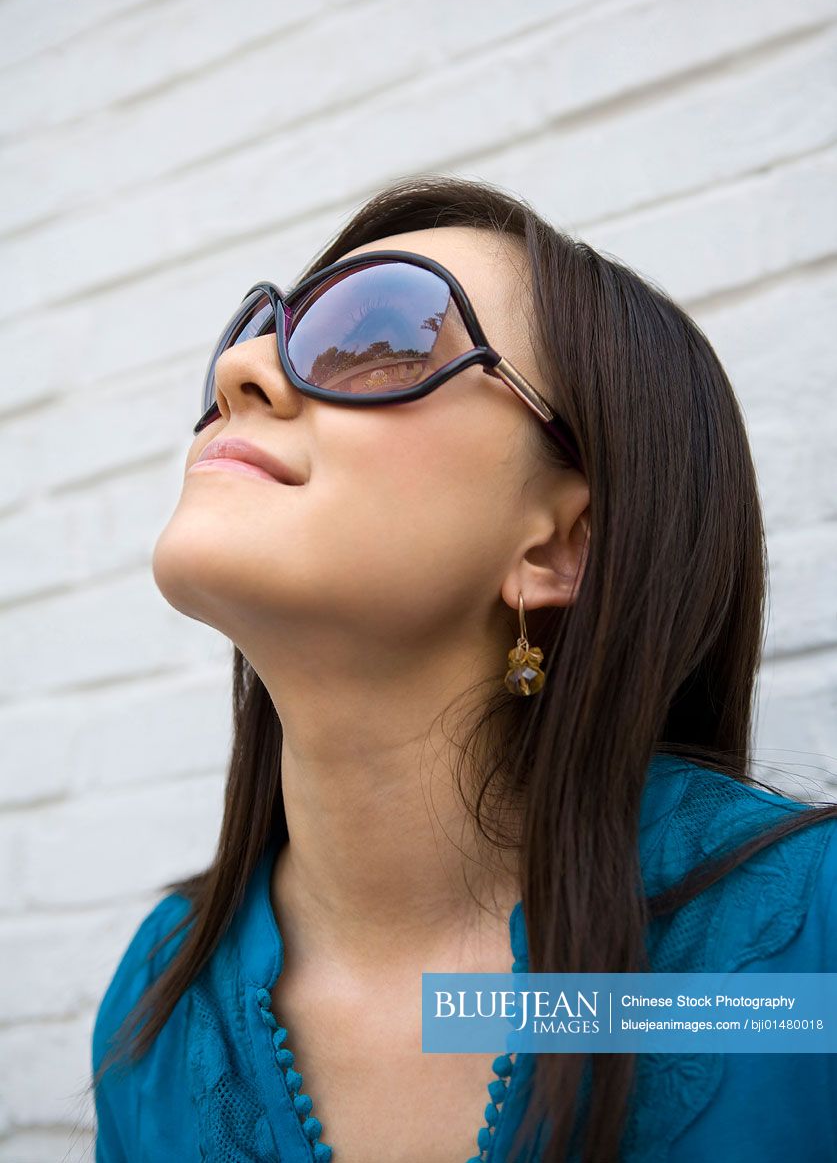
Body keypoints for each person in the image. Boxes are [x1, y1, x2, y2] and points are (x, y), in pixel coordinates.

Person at [89, 175, 837, 1162]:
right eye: (257, 327)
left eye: (380, 334)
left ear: (561, 544)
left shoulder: (805, 957)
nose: (241, 368)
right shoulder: (157, 1002)